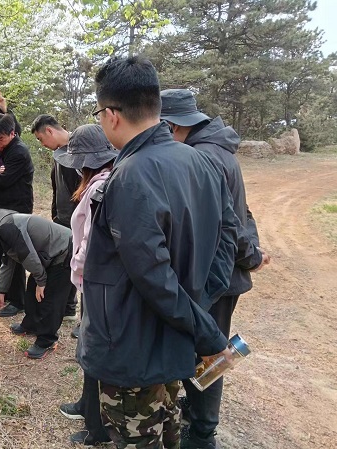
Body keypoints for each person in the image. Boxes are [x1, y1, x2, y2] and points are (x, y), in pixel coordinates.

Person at [78, 55, 244, 449]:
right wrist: (201, 305)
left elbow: (153, 277)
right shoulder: (202, 163)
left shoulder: (130, 176)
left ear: (111, 114)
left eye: (100, 114)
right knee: (167, 431)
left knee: (140, 437)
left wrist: (202, 328)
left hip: (134, 351)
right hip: (173, 341)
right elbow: (229, 240)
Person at [160, 88, 271, 449]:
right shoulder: (216, 151)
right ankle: (195, 416)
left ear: (173, 125)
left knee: (211, 351)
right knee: (204, 347)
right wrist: (252, 252)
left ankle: (203, 432)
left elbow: (229, 224)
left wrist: (250, 256)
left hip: (215, 277)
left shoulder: (201, 157)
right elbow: (245, 214)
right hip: (219, 272)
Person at [53, 124, 117, 446]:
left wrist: (76, 272)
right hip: (93, 282)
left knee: (93, 351)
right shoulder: (101, 181)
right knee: (87, 350)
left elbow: (89, 243)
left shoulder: (100, 188)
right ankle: (86, 404)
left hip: (95, 282)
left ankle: (98, 425)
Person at [0, 209, 76, 359]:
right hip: (49, 255)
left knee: (51, 298)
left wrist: (42, 281)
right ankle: (31, 324)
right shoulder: (0, 225)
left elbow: (27, 255)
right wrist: (1, 292)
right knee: (32, 291)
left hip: (64, 250)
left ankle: (47, 340)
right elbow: (8, 262)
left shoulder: (5, 228)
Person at [0, 113, 34, 317]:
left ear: (12, 133)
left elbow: (2, 181)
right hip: (1, 207)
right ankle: (3, 292)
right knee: (0, 251)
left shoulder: (19, 152)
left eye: (0, 138)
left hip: (17, 208)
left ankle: (18, 300)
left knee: (15, 254)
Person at [31, 114, 81, 323]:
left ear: (49, 131)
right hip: (61, 220)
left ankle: (73, 309)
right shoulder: (57, 155)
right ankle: (68, 307)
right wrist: (54, 213)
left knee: (78, 264)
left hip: (77, 221)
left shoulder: (79, 149)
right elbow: (56, 189)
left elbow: (81, 191)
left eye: (41, 139)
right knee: (65, 265)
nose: (43, 144)